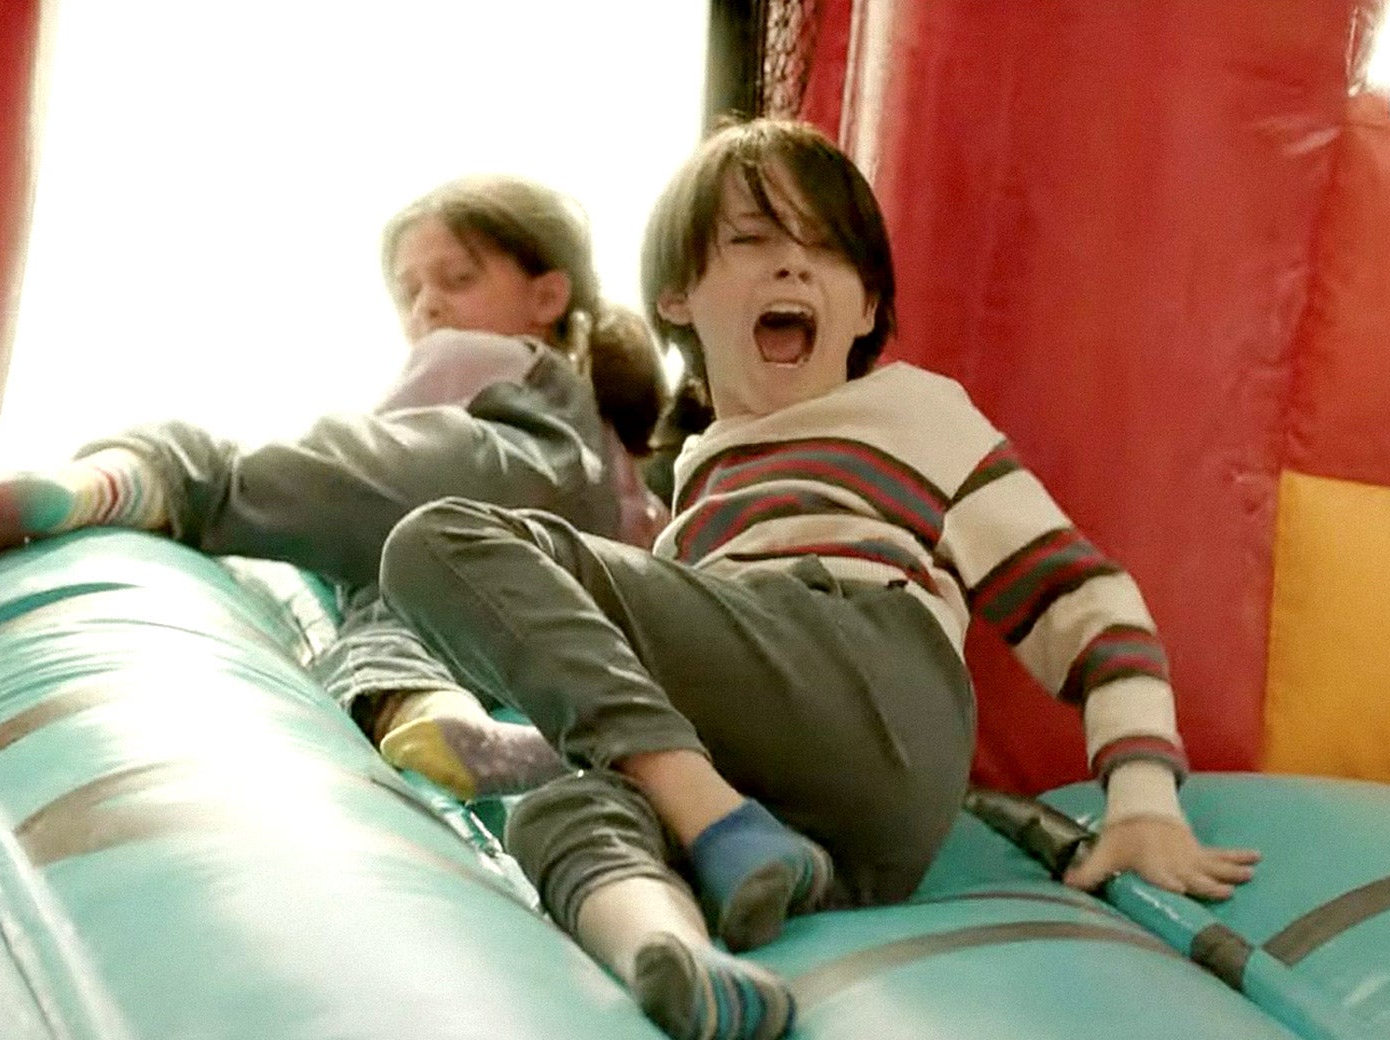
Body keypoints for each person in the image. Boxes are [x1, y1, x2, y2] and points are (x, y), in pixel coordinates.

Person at [376, 119, 1262, 1040]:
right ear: (678, 295)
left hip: (874, 669)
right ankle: (664, 946)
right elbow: (658, 688)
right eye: (753, 242)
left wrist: (1144, 796)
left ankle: (707, 818)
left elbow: (1081, 601)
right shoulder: (695, 500)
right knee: (571, 807)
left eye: (827, 252)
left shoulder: (913, 414)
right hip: (839, 834)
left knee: (438, 538)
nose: (794, 269)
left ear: (870, 309)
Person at [0, 174, 668, 799]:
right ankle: (435, 719)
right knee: (395, 617)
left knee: (226, 475)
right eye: (410, 290)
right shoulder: (618, 444)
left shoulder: (487, 359)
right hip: (554, 574)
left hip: (497, 468)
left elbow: (373, 466)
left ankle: (116, 482)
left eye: (456, 280)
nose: (428, 306)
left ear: (547, 295)